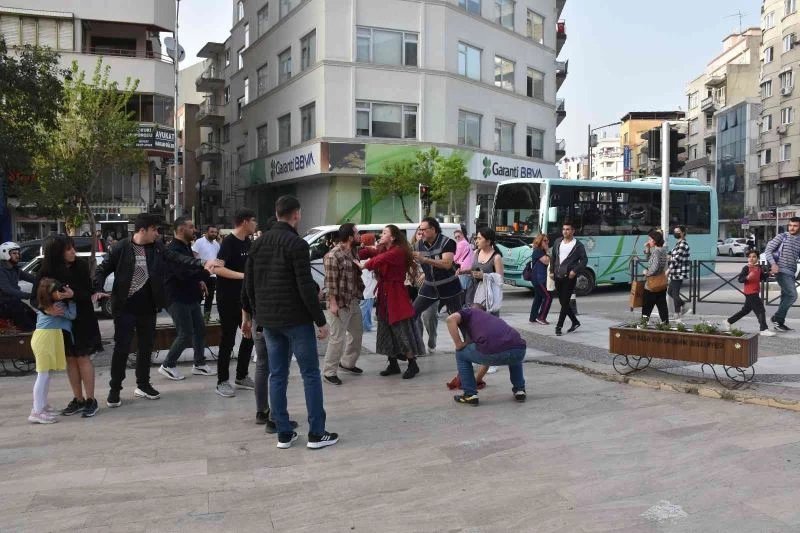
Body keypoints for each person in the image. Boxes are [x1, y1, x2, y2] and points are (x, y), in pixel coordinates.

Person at [93, 213, 220, 408]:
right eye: (154, 230)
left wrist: (201, 263)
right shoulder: (121, 247)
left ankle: (143, 384)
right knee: (122, 348)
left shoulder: (157, 248)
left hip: (148, 307)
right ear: (142, 230)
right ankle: (115, 389)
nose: (157, 233)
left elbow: (177, 258)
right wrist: (98, 288)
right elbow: (103, 269)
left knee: (146, 347)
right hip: (125, 308)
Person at [243, 195, 338, 449]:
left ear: (276, 213)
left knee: (277, 374)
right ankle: (316, 433)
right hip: (296, 320)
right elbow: (305, 286)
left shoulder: (258, 243)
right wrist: (321, 320)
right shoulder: (296, 244)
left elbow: (249, 285)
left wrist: (256, 314)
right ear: (296, 214)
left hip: (269, 321)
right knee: (310, 374)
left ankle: (283, 432)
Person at [31, 236, 102, 417]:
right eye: (68, 249)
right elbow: (34, 298)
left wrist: (74, 294)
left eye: (73, 248)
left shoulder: (81, 266)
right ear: (57, 253)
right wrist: (48, 309)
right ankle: (78, 399)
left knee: (83, 357)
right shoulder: (46, 270)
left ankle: (91, 400)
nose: (73, 252)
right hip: (62, 324)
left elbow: (89, 292)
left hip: (82, 319)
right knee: (70, 359)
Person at [359, 225, 426, 379]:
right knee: (385, 329)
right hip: (384, 294)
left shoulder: (398, 251)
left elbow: (378, 259)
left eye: (384, 233)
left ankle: (412, 364)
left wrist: (365, 265)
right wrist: (359, 250)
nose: (381, 235)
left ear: (393, 237)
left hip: (396, 294)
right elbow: (370, 252)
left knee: (402, 329)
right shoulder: (384, 248)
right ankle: (393, 363)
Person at [158, 217, 216, 381]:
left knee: (199, 330)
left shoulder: (186, 247)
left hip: (190, 296)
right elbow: (184, 274)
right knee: (186, 333)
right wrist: (206, 272)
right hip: (177, 297)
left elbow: (191, 270)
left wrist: (201, 280)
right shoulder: (173, 250)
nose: (195, 230)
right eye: (191, 227)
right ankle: (168, 365)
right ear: (181, 229)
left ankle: (199, 364)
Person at [214, 209, 258, 398]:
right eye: (254, 221)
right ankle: (222, 381)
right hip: (228, 298)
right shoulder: (229, 242)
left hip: (245, 299)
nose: (256, 225)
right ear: (245, 222)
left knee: (249, 336)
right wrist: (243, 276)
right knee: (228, 339)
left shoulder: (248, 242)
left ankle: (241, 375)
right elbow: (217, 268)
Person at [446, 305, 527, 406]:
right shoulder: (490, 320)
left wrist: (458, 344)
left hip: (492, 352)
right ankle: (520, 390)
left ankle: (470, 395)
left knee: (461, 354)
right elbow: (486, 358)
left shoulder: (469, 312)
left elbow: (450, 319)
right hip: (519, 350)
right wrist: (477, 380)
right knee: (512, 350)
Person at [413, 218, 464, 355]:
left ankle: (469, 347)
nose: (421, 232)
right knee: (412, 314)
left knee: (460, 318)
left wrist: (424, 260)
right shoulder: (418, 245)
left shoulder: (447, 242)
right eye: (420, 229)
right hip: (429, 286)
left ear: (433, 229)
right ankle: (418, 347)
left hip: (450, 286)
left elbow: (447, 264)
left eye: (424, 229)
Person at [28, 278, 76, 424]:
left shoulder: (48, 305)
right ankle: (36, 411)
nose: (61, 292)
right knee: (42, 375)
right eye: (58, 290)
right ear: (50, 293)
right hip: (45, 339)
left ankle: (42, 406)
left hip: (48, 338)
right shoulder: (54, 306)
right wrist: (71, 298)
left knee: (46, 375)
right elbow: (72, 315)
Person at [322, 223, 365, 385]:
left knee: (357, 333)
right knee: (337, 338)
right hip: (339, 303)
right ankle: (329, 372)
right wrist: (333, 304)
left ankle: (347, 363)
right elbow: (330, 283)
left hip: (352, 300)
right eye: (357, 233)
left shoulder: (353, 251)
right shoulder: (333, 256)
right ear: (350, 237)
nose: (360, 235)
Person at [724, 250, 775, 337]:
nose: (751, 258)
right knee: (760, 310)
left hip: (754, 291)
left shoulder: (758, 267)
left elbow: (761, 277)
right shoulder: (746, 268)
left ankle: (729, 321)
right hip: (750, 292)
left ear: (757, 258)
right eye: (750, 256)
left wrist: (770, 273)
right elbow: (740, 279)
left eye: (754, 256)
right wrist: (747, 277)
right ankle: (764, 329)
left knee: (746, 310)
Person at [550, 221, 587, 336]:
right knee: (563, 302)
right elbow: (553, 257)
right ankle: (575, 322)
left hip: (569, 277)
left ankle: (559, 326)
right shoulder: (558, 242)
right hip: (557, 275)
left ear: (573, 231)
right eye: (563, 229)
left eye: (567, 229)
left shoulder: (578, 245)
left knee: (565, 301)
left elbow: (584, 260)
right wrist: (551, 271)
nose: (565, 231)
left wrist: (575, 271)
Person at [764, 216, 800, 332]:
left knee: (785, 296)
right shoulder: (782, 236)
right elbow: (768, 250)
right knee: (792, 295)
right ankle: (777, 318)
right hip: (781, 271)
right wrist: (773, 264)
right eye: (790, 225)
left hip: (791, 273)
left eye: (795, 226)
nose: (792, 228)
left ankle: (779, 322)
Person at [0, 241, 36, 331]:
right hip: (4, 304)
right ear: (4, 254)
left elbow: (31, 278)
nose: (18, 255)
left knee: (36, 318)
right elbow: (7, 289)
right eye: (14, 253)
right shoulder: (1, 271)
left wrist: (44, 280)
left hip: (13, 303)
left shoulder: (15, 269)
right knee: (28, 325)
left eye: (18, 253)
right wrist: (27, 295)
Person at [192, 225, 220, 322]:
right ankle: (196, 318)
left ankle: (206, 317)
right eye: (212, 232)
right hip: (201, 273)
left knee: (210, 297)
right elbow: (194, 255)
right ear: (207, 232)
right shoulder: (199, 242)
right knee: (198, 296)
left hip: (212, 275)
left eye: (216, 232)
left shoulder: (216, 244)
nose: (214, 234)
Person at [641, 230, 669, 325]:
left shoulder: (656, 252)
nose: (648, 241)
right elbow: (650, 261)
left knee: (646, 309)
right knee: (663, 308)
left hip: (651, 286)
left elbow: (655, 267)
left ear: (655, 241)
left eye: (650, 239)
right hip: (661, 284)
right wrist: (648, 249)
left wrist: (647, 273)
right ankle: (666, 326)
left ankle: (643, 326)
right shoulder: (663, 251)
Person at [528, 234, 553, 325]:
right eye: (545, 241)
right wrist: (547, 250)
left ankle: (533, 317)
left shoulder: (540, 251)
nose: (547, 242)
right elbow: (547, 261)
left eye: (547, 240)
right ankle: (541, 317)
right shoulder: (538, 251)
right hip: (539, 279)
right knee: (548, 297)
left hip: (538, 278)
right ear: (539, 242)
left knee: (538, 297)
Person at [668, 225, 690, 319]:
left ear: (683, 233)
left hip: (679, 272)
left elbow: (677, 259)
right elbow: (673, 255)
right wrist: (669, 255)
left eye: (677, 231)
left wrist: (668, 270)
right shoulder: (678, 244)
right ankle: (683, 305)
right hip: (675, 272)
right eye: (675, 231)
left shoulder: (683, 244)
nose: (675, 233)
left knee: (675, 293)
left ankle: (677, 313)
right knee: (670, 292)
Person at [359, 233, 377, 332]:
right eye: (373, 239)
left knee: (368, 305)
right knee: (366, 305)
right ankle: (365, 326)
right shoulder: (368, 251)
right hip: (367, 282)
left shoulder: (363, 250)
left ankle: (367, 324)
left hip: (368, 283)